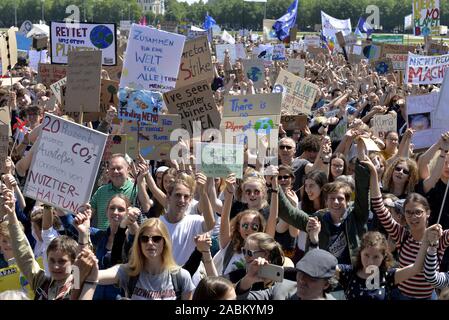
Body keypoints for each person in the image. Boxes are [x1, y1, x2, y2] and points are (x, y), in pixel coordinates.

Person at [365, 156, 449, 299]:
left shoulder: (439, 237)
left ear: (427, 213)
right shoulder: (401, 235)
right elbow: (379, 207)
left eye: (418, 212)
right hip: (401, 296)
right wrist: (374, 174)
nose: (413, 217)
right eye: (409, 212)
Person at [93, 218, 195, 300]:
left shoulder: (181, 277)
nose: (150, 243)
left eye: (156, 239)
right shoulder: (129, 272)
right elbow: (93, 276)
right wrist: (83, 238)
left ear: (165, 242)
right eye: (145, 239)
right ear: (139, 244)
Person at [90, 154, 151, 230]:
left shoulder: (136, 189)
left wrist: (140, 181)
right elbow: (89, 214)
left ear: (128, 169)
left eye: (119, 168)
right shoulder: (101, 191)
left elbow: (147, 208)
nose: (115, 171)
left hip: (126, 239)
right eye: (112, 169)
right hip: (103, 239)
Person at [234, 232, 297, 299]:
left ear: (266, 254)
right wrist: (248, 279)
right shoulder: (237, 275)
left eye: (249, 253)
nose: (246, 256)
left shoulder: (286, 275)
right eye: (244, 251)